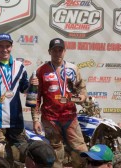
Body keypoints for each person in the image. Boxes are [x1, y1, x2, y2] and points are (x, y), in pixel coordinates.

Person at [0, 33, 38, 163]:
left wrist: (32, 85)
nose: (4, 49)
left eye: (7, 46)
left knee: (21, 155)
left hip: (16, 119)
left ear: (11, 47)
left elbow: (24, 88)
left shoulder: (19, 66)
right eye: (1, 46)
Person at [31, 38, 88, 168]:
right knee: (56, 151)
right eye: (54, 50)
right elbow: (36, 98)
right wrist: (35, 120)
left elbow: (81, 87)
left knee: (81, 150)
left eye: (60, 50)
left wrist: (83, 96)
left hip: (70, 117)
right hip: (50, 118)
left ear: (65, 51)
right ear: (49, 52)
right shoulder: (41, 71)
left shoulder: (73, 69)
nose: (57, 53)